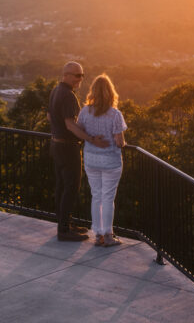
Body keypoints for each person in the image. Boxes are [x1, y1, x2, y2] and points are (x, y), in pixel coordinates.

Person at [47, 62, 109, 241]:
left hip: (56, 144)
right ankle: (64, 230)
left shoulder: (55, 91)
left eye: (82, 75)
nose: (80, 79)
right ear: (66, 75)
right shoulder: (68, 96)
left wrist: (57, 129)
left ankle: (64, 223)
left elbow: (49, 116)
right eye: (77, 75)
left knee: (61, 186)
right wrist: (90, 139)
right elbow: (70, 124)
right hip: (67, 147)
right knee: (71, 187)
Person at [76, 73, 127, 247]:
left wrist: (92, 138)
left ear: (93, 92)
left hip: (91, 159)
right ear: (110, 92)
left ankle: (98, 235)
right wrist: (122, 142)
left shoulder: (85, 111)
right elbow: (119, 142)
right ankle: (109, 236)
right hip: (110, 161)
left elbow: (80, 131)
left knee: (96, 196)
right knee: (108, 198)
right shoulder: (115, 114)